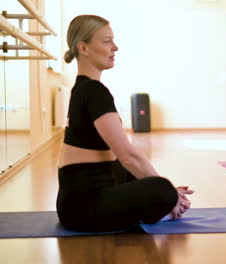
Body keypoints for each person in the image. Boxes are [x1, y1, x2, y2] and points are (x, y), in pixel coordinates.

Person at [56, 15, 193, 232]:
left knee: (133, 174)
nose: (115, 47)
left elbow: (122, 162)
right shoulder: (93, 91)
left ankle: (160, 206)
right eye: (107, 41)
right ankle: (163, 210)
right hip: (83, 209)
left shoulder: (84, 89)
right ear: (84, 48)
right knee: (162, 188)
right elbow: (128, 155)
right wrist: (170, 195)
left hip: (76, 205)